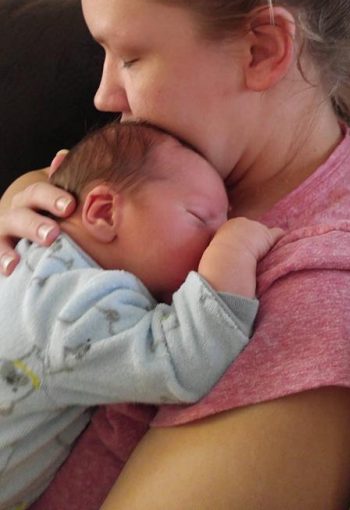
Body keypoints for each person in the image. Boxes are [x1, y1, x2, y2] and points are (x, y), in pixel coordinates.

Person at [0, 0, 350, 510]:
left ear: (262, 50)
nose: (105, 96)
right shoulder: (198, 164)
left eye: (131, 57)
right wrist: (29, 224)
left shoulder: (333, 301)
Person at [0, 120, 279, 510]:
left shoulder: (34, 256)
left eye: (223, 224)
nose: (216, 234)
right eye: (200, 218)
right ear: (104, 211)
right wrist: (235, 249)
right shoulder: (76, 306)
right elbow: (186, 361)